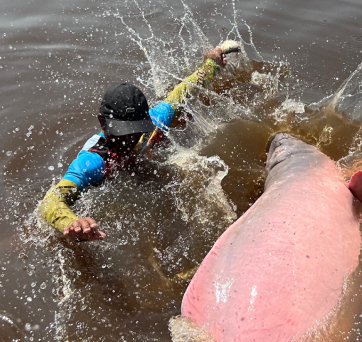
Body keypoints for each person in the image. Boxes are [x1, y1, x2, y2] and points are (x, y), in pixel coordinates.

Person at [39, 46, 231, 242]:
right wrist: (70, 222)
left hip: (138, 164)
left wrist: (211, 65)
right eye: (123, 132)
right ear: (103, 123)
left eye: (136, 129)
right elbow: (50, 201)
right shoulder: (93, 161)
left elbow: (182, 93)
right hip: (109, 182)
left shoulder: (154, 122)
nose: (130, 139)